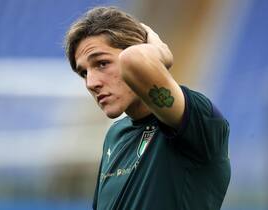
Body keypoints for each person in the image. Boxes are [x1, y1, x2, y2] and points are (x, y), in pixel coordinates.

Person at [64, 6, 230, 210]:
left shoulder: (197, 117)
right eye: (83, 73)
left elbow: (133, 60)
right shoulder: (115, 135)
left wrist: (161, 52)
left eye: (102, 63)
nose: (91, 82)